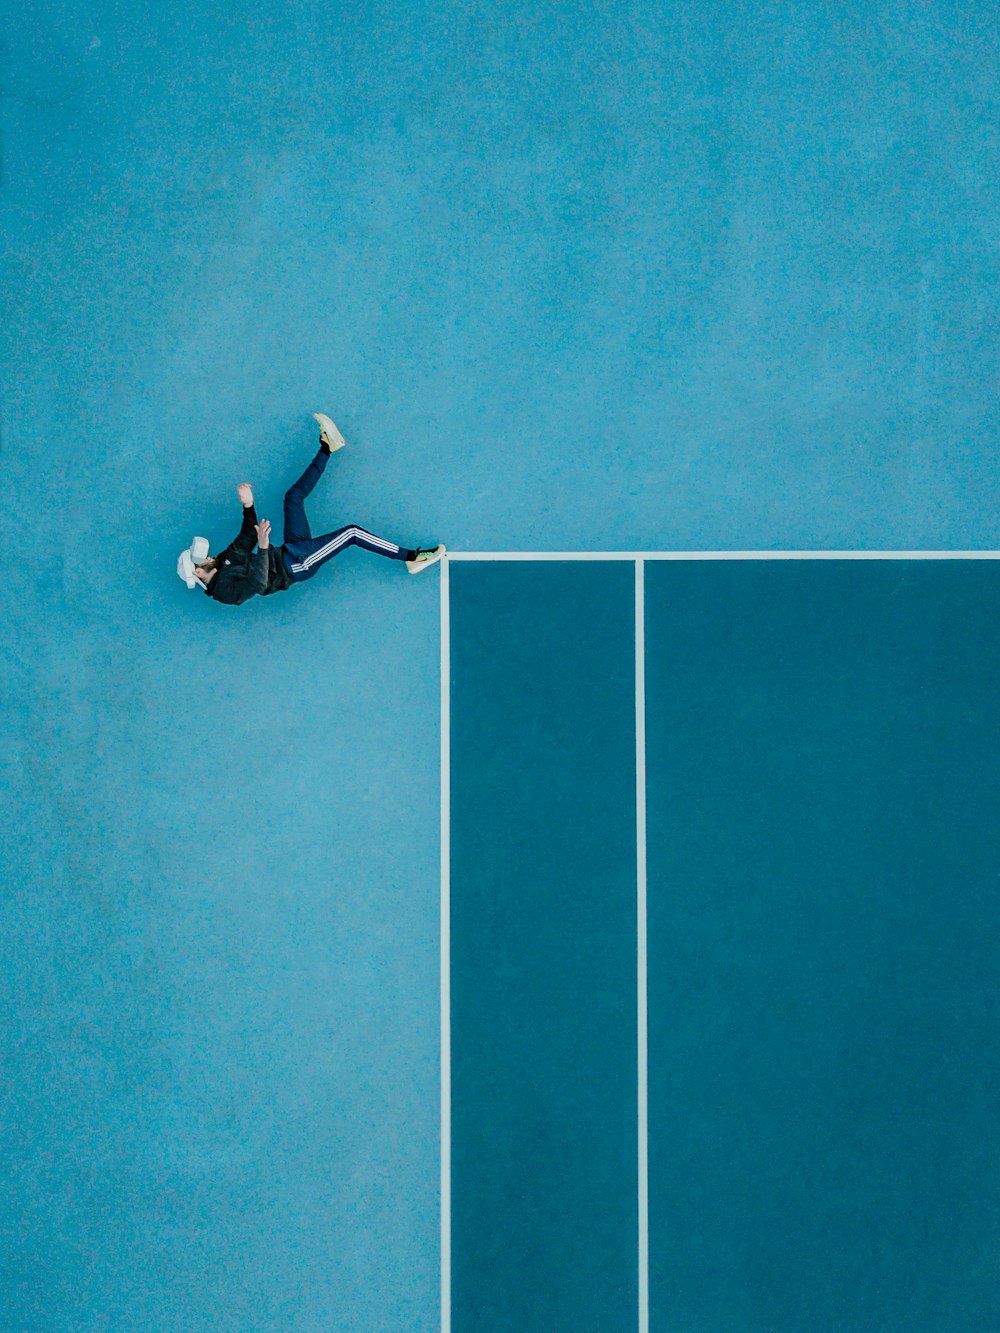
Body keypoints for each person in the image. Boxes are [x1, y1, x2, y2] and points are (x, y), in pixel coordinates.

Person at [177, 414, 445, 606]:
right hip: (296, 565)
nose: (205, 556)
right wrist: (264, 546)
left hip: (289, 550)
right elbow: (258, 584)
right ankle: (411, 557)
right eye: (200, 559)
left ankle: (328, 446)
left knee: (292, 497)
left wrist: (248, 505)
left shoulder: (224, 559)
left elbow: (247, 535)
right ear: (198, 573)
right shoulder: (224, 592)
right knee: (351, 533)